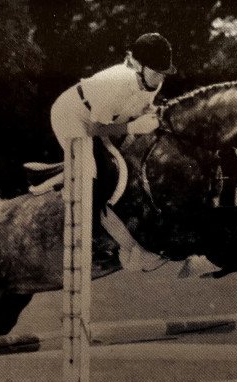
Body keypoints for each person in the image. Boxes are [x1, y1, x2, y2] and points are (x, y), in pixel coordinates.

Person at [34, 32, 177, 270]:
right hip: (73, 115)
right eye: (156, 70)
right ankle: (89, 242)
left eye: (164, 71)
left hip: (104, 119)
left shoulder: (153, 80)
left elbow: (138, 109)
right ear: (138, 65)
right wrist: (133, 126)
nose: (161, 76)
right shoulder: (115, 81)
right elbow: (93, 127)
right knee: (90, 173)